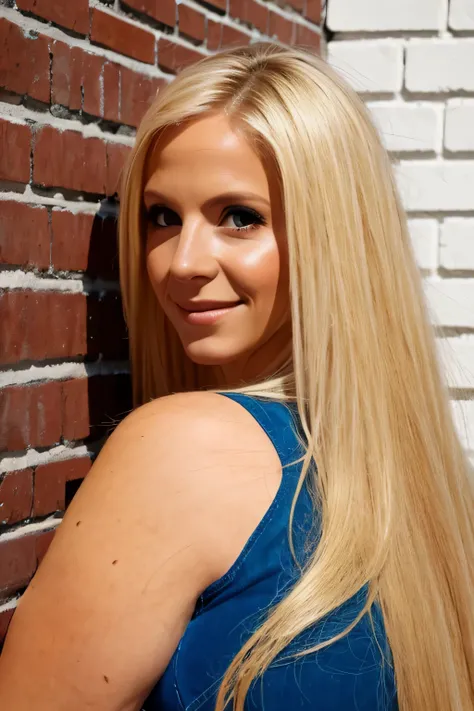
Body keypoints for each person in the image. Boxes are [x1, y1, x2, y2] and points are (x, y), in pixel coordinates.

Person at [0, 42, 473, 711]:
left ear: (332, 236)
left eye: (238, 217)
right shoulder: (417, 476)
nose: (181, 261)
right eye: (162, 216)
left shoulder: (182, 448)